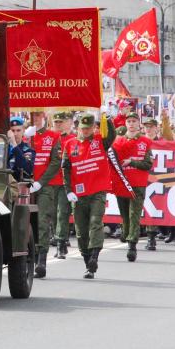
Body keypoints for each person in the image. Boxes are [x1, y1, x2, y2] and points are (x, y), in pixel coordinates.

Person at [62, 114, 115, 279]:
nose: (86, 131)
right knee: (81, 231)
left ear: (94, 127)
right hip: (78, 194)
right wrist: (68, 190)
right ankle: (87, 262)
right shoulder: (70, 144)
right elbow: (66, 169)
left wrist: (107, 119)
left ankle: (94, 257)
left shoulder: (100, 141)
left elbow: (111, 135)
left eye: (89, 128)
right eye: (83, 128)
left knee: (95, 223)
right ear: (78, 128)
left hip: (97, 191)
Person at [112, 113, 153, 260]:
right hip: (121, 183)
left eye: (134, 121)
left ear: (138, 124)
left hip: (137, 184)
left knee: (134, 214)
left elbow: (148, 164)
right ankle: (126, 232)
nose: (131, 124)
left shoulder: (145, 142)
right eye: (129, 121)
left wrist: (132, 162)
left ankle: (132, 245)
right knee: (124, 215)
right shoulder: (117, 142)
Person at [27, 111, 63, 278]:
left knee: (42, 220)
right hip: (25, 184)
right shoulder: (24, 134)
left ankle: (41, 261)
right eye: (33, 115)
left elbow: (56, 162)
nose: (36, 118)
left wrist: (41, 182)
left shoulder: (53, 136)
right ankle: (27, 257)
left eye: (39, 115)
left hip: (46, 185)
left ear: (44, 116)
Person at [50, 112, 76, 259]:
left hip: (65, 182)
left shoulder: (73, 139)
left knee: (62, 212)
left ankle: (60, 243)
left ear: (69, 123)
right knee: (53, 213)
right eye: (56, 122)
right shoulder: (49, 139)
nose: (58, 124)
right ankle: (59, 237)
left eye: (61, 122)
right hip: (50, 181)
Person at [6, 116, 35, 182]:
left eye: (18, 130)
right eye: (12, 131)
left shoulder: (28, 150)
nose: (15, 134)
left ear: (23, 131)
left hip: (19, 186)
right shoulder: (0, 147)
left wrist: (14, 144)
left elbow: (27, 169)